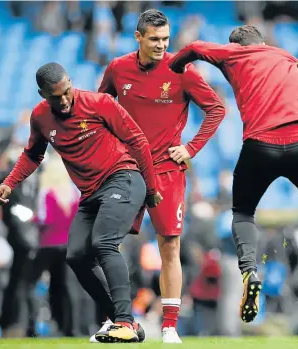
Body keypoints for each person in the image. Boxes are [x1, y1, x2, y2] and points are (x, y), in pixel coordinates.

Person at [169, 25, 298, 324]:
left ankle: (249, 271)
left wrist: (174, 67)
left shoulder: (234, 53)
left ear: (237, 46)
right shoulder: (284, 56)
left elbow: (193, 46)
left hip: (260, 146)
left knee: (243, 212)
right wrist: (297, 107)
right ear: (260, 42)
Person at [0, 62, 162, 343]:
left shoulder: (100, 103)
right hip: (90, 193)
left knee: (103, 243)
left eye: (67, 91)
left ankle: (125, 323)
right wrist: (10, 182)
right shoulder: (40, 117)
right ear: (42, 94)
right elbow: (33, 155)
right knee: (76, 255)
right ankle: (121, 320)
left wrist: (152, 188)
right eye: (55, 96)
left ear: (71, 82)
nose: (64, 100)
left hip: (123, 177)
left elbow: (138, 140)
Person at [98, 9, 225, 343]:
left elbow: (216, 109)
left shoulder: (181, 70)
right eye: (154, 39)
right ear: (138, 37)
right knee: (108, 243)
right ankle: (116, 319)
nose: (161, 45)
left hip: (167, 169)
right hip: (127, 170)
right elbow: (100, 110)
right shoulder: (117, 68)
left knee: (170, 245)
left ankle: (169, 325)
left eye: (165, 39)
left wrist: (192, 148)